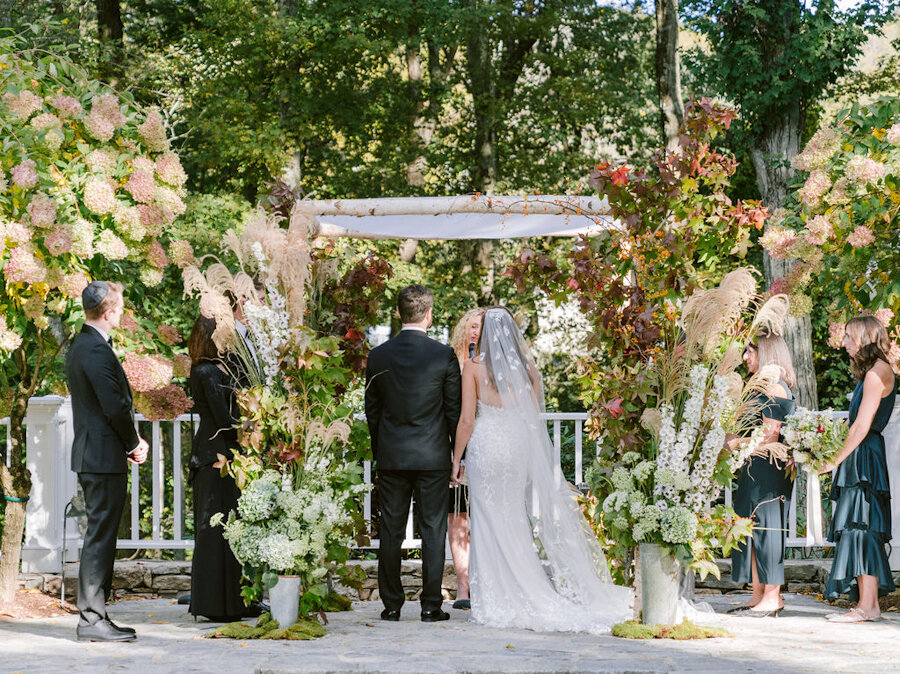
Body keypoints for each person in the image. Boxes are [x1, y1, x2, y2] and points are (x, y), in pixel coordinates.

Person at [450, 307, 632, 633]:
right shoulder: (529, 370)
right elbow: (532, 420)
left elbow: (466, 420)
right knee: (513, 518)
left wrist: (455, 460)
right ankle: (520, 591)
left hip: (487, 447)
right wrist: (533, 458)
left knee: (488, 520)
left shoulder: (473, 368)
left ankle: (494, 598)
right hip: (517, 447)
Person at [365, 285, 462, 622]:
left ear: (399, 313)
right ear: (429, 314)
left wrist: (381, 452)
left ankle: (391, 605)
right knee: (433, 530)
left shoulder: (378, 355)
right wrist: (455, 457)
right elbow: (454, 411)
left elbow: (372, 412)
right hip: (433, 456)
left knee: (390, 530)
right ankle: (431, 606)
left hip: (392, 456)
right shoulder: (443, 355)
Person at [66, 281, 148, 642]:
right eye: (120, 308)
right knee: (100, 538)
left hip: (96, 454)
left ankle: (96, 615)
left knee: (100, 535)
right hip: (101, 456)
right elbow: (113, 405)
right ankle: (91, 619)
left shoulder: (82, 343)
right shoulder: (96, 350)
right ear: (110, 312)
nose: (121, 313)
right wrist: (133, 443)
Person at [822, 315, 896, 623]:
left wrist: (833, 459)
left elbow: (862, 426)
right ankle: (869, 606)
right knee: (860, 526)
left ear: (866, 338)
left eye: (850, 338)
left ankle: (867, 606)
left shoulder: (875, 375)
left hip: (864, 458)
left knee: (862, 526)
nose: (845, 343)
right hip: (865, 455)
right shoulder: (877, 371)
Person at [728, 331, 796, 617]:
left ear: (766, 353)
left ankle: (773, 596)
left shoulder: (775, 389)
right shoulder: (758, 388)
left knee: (767, 528)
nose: (745, 358)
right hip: (752, 466)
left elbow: (770, 435)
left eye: (750, 352)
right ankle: (757, 594)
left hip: (768, 466)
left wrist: (734, 443)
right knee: (751, 528)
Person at [187, 315, 245, 622]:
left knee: (234, 528)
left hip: (231, 453)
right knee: (213, 530)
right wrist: (250, 427)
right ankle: (212, 604)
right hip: (213, 455)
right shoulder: (204, 371)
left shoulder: (228, 365)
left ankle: (237, 600)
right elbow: (223, 418)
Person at [446, 307, 485, 611]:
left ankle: (488, 583)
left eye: (481, 327)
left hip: (486, 446)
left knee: (486, 519)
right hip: (454, 446)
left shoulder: (493, 366)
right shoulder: (450, 361)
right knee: (457, 517)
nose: (475, 332)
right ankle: (463, 586)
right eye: (471, 326)